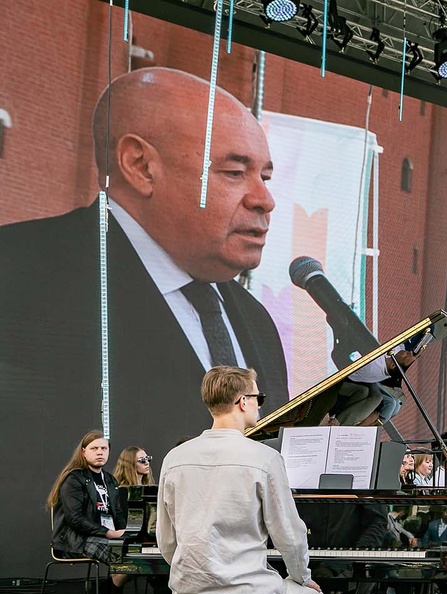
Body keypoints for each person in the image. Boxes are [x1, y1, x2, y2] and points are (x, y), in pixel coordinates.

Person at [0, 68, 289, 496]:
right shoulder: (19, 271)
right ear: (140, 166)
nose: (264, 199)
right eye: (233, 171)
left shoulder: (255, 321)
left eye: (263, 176)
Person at [156, 366, 334, 594]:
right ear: (241, 402)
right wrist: (302, 578)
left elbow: (166, 540)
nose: (258, 406)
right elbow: (289, 535)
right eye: (257, 398)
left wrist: (198, 572)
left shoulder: (175, 458)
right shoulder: (263, 458)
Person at [46, 431, 132, 594]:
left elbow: (116, 514)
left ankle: (100, 590)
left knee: (135, 555)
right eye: (94, 448)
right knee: (124, 558)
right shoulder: (74, 479)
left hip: (103, 535)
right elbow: (75, 519)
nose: (100, 452)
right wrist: (109, 533)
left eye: (104, 448)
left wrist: (127, 533)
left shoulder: (110, 480)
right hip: (78, 539)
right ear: (83, 452)